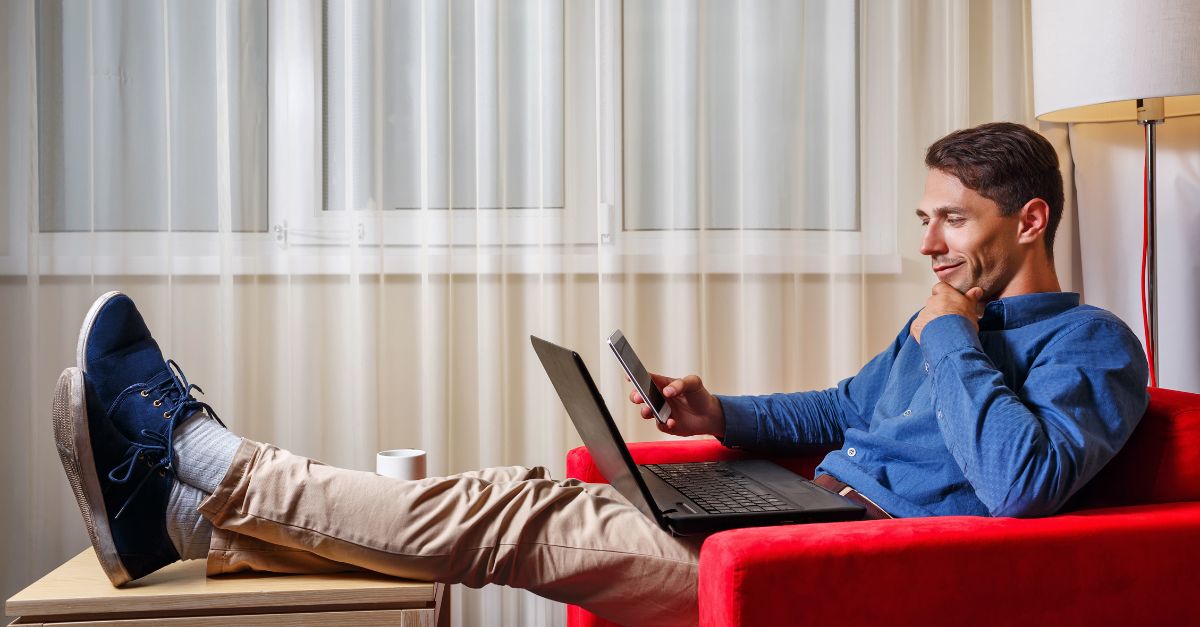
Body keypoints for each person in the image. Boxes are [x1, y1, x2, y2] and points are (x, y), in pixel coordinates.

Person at [51, 122, 1148, 626]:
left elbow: (1019, 484)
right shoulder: (938, 324)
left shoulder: (1093, 346)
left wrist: (954, 334)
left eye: (952, 220)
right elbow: (844, 408)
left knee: (516, 516)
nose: (928, 245)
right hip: (789, 518)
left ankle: (204, 458)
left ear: (1030, 220)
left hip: (829, 566)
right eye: (925, 218)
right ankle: (183, 527)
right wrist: (718, 410)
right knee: (518, 491)